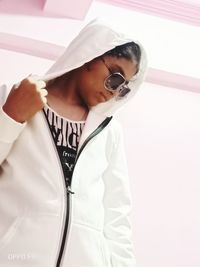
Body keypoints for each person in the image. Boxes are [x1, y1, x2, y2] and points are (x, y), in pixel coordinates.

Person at [0, 19, 147, 267]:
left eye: (124, 88)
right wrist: (11, 117)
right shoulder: (11, 97)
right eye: (115, 77)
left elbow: (116, 216)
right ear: (91, 54)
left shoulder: (109, 131)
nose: (115, 91)